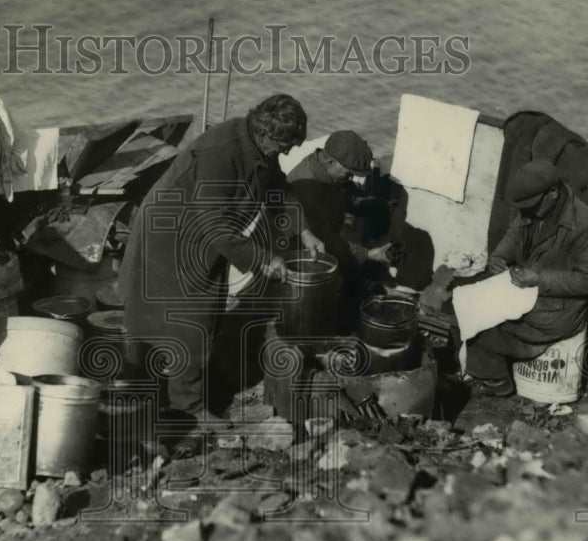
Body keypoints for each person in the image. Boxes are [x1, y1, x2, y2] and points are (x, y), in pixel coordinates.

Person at [119, 94, 325, 423]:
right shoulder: (221, 151)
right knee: (187, 322)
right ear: (264, 133)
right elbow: (214, 221)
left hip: (209, 238)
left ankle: (173, 394)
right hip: (171, 238)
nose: (286, 152)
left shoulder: (260, 148)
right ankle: (185, 409)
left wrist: (303, 231)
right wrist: (263, 259)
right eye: (284, 145)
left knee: (207, 312)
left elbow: (277, 189)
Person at [465, 160, 588, 396]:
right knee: (465, 299)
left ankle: (496, 381)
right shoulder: (535, 208)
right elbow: (513, 237)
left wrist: (539, 279)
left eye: (533, 205)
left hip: (558, 308)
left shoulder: (584, 225)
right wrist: (499, 257)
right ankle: (485, 368)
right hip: (527, 292)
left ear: (553, 192)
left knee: (484, 323)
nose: (528, 211)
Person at [286, 131, 404, 329]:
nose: (350, 179)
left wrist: (370, 204)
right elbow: (325, 240)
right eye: (349, 174)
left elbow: (341, 196)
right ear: (331, 162)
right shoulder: (306, 187)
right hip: (304, 259)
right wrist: (369, 254)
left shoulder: (326, 171)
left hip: (327, 240)